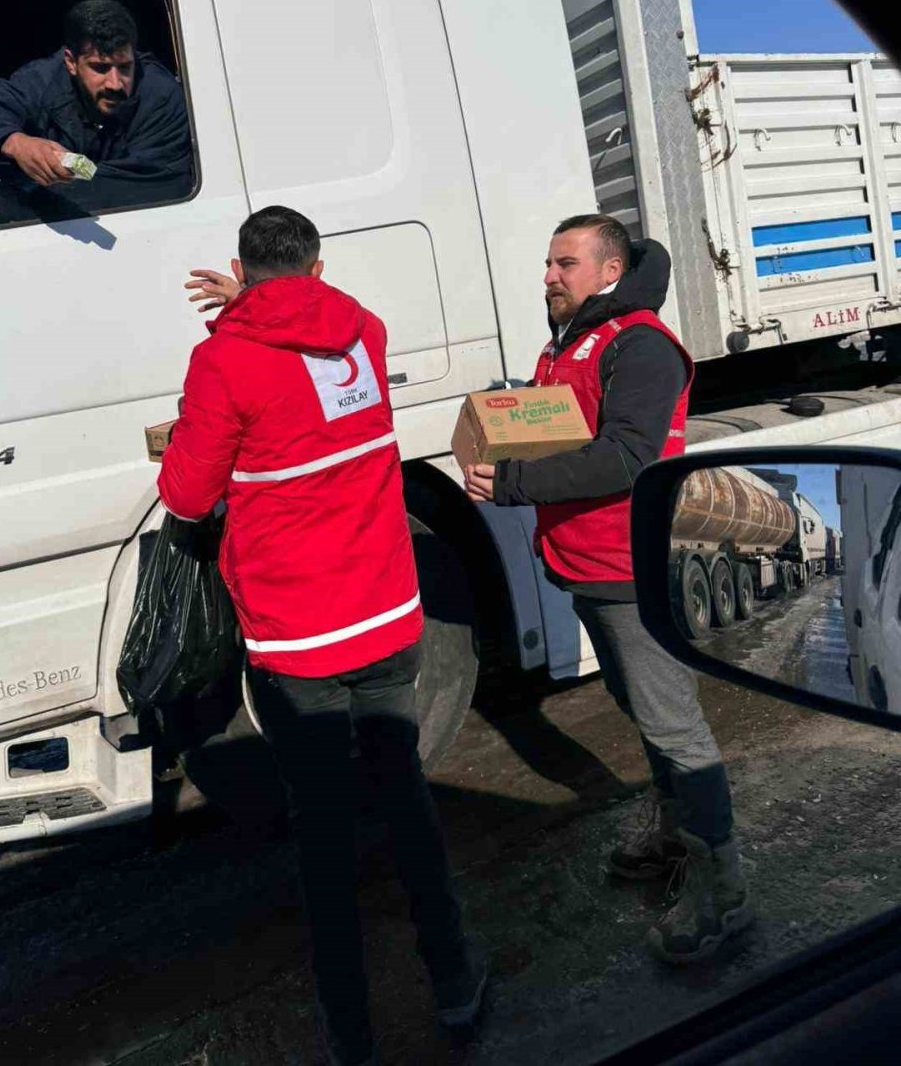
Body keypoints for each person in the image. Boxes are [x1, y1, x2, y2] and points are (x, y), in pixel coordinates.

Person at [158, 206, 485, 1065]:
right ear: (319, 263)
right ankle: (455, 984)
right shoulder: (362, 333)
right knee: (407, 798)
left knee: (326, 835)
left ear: (240, 264)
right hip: (387, 615)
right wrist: (258, 302)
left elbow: (189, 497)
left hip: (298, 639)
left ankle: (351, 1032)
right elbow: (306, 322)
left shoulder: (224, 359)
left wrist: (238, 316)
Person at [464, 212, 753, 965]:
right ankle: (671, 837)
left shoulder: (642, 346)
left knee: (673, 724)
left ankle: (727, 895)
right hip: (586, 565)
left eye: (565, 263)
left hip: (630, 568)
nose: (550, 275)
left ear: (610, 271)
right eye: (549, 262)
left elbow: (626, 457)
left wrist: (513, 482)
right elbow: (557, 427)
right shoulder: (570, 343)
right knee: (643, 712)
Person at [0, 0, 190, 210]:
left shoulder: (162, 96)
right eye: (100, 68)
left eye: (124, 67)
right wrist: (17, 144)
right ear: (71, 62)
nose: (115, 83)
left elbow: (151, 179)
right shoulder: (41, 80)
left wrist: (66, 176)